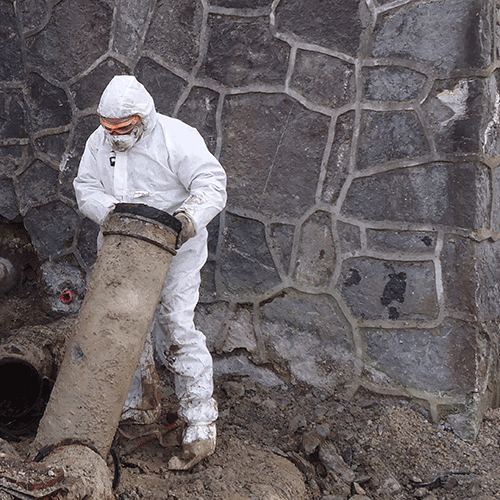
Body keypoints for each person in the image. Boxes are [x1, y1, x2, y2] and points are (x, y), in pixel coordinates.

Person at [73, 75, 227, 470]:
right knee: (121, 326)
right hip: (121, 248)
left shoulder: (177, 139)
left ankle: (200, 425)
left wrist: (186, 221)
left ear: (143, 119)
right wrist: (111, 213)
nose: (114, 136)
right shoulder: (98, 143)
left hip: (175, 251)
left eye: (123, 129)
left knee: (175, 327)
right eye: (108, 129)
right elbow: (86, 185)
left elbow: (212, 183)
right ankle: (136, 407)